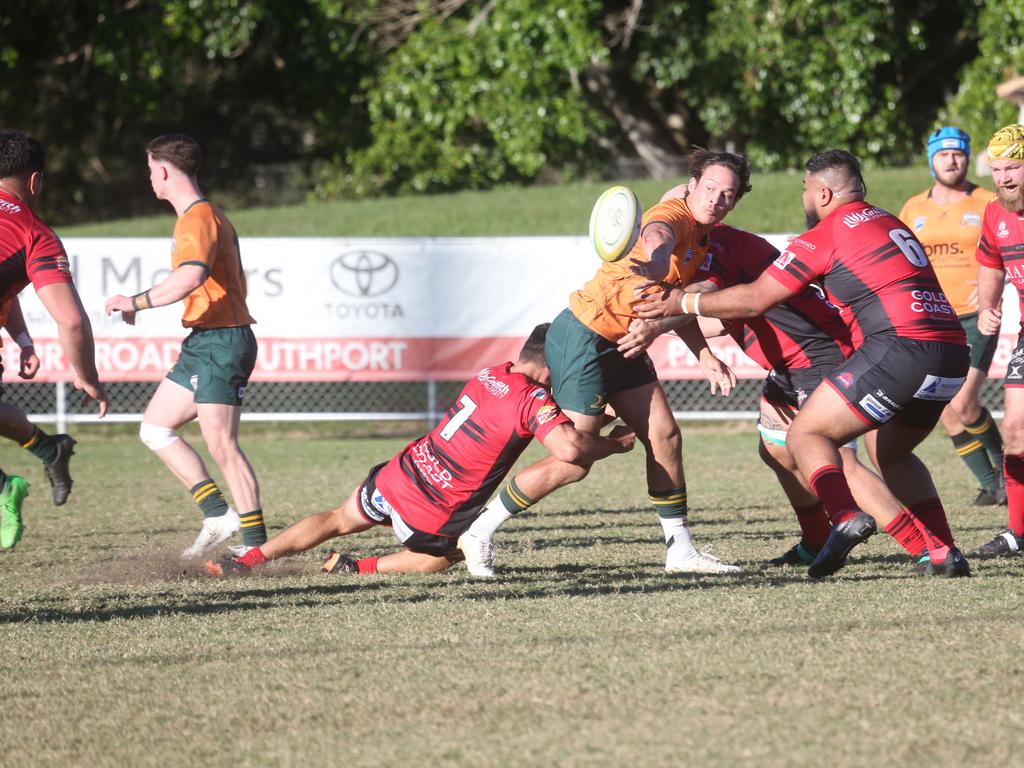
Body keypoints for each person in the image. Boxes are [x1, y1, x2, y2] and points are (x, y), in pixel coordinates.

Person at [634, 149, 972, 578]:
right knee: (803, 448)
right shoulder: (887, 218)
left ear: (824, 192)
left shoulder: (738, 244)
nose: (713, 201)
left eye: (806, 190)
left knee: (813, 441)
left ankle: (904, 542)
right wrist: (695, 341)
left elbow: (731, 299)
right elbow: (720, 315)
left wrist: (669, 309)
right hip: (946, 348)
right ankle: (915, 549)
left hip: (834, 354)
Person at [461, 149, 749, 577]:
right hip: (585, 337)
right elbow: (656, 236)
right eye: (710, 189)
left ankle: (680, 551)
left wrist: (705, 354)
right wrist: (653, 259)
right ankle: (478, 531)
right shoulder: (670, 218)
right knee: (574, 459)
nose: (716, 200)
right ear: (692, 185)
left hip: (625, 343)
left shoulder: (704, 234)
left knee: (665, 435)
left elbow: (676, 304)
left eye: (727, 194)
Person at [205, 324, 636, 577]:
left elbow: (518, 408)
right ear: (554, 365)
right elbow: (567, 447)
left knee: (337, 519)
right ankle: (361, 568)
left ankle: (251, 557)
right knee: (445, 555)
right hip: (433, 511)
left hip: (399, 475)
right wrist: (613, 445)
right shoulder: (531, 399)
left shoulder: (493, 373)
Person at [104, 134, 264, 559]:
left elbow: (189, 278)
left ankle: (256, 548)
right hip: (204, 341)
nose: (149, 178)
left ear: (161, 170)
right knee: (155, 428)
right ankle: (217, 516)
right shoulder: (199, 216)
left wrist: (133, 301)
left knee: (222, 445)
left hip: (223, 340)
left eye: (149, 169)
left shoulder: (197, 218)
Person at [0, 129, 109, 548]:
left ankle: (33, 463)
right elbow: (72, 321)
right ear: (34, 182)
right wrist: (87, 376)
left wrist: (22, 336)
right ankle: (44, 455)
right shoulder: (34, 233)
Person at [899, 126, 1004, 505]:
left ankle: (1006, 475)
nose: (951, 159)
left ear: (966, 157)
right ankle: (993, 485)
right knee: (947, 411)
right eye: (943, 154)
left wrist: (993, 293)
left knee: (962, 403)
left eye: (958, 153)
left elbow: (1007, 250)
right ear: (931, 160)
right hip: (933, 318)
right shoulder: (914, 208)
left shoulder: (990, 201)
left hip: (977, 316)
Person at [974, 123, 1024, 557]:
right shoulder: (995, 213)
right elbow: (991, 260)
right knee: (1014, 429)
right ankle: (1017, 533)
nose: (1005, 177)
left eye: (1014, 167)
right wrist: (989, 306)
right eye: (998, 169)